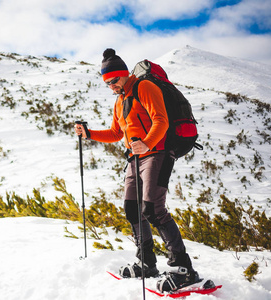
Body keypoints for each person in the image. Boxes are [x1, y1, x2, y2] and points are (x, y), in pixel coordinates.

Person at [74, 48, 199, 292]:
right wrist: (88, 134)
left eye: (113, 81)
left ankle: (183, 269)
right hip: (135, 158)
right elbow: (115, 133)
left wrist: (148, 142)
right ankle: (147, 263)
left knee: (153, 209)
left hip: (158, 153)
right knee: (132, 209)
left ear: (123, 75)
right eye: (107, 83)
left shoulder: (144, 88)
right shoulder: (120, 101)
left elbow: (161, 120)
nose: (111, 86)